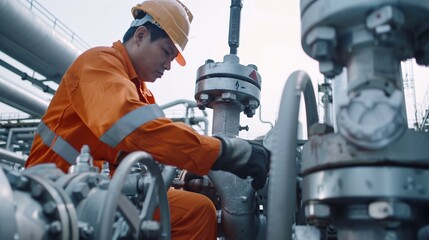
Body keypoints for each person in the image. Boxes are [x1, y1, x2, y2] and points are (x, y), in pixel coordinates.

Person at [25, 0, 270, 239]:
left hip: (103, 186)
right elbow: (138, 131)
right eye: (166, 52)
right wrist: (228, 152)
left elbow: (161, 147)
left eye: (173, 58)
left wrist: (188, 175)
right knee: (197, 212)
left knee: (196, 212)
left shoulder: (142, 92)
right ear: (140, 35)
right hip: (56, 186)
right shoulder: (99, 63)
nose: (169, 65)